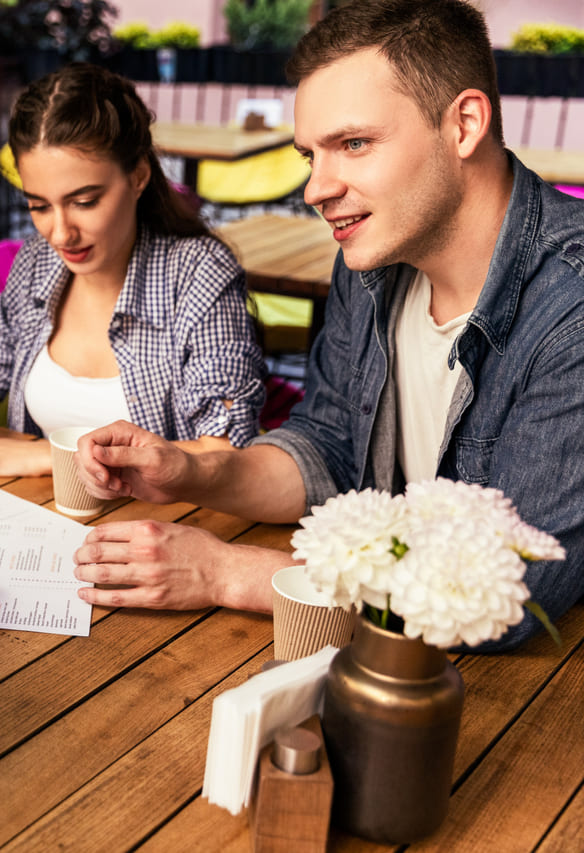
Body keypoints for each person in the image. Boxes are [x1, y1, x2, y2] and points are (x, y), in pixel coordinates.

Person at [71, 0, 584, 651]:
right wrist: (193, 472)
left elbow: (511, 593)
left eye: (354, 144)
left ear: (465, 124)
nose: (317, 187)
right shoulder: (372, 260)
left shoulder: (571, 305)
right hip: (371, 656)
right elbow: (331, 448)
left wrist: (228, 572)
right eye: (310, 154)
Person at [0, 63, 265, 497]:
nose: (60, 232)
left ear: (139, 176)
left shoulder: (198, 274)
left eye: (85, 201)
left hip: (163, 531)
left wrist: (50, 459)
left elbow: (224, 451)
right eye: (39, 206)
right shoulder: (37, 261)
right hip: (39, 518)